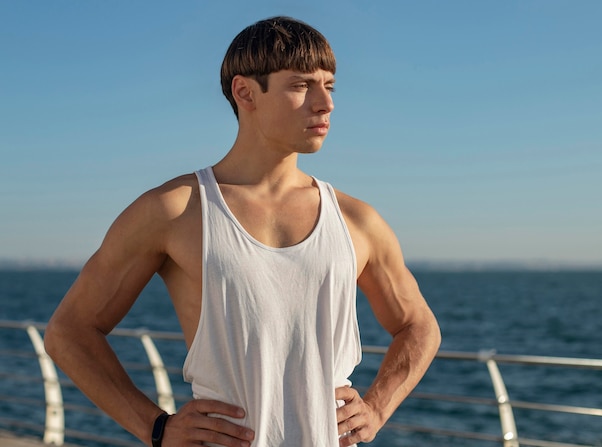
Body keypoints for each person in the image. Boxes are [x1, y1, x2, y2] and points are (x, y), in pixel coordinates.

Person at [44, 16, 441, 447]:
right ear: (245, 92)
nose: (325, 102)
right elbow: (70, 331)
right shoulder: (175, 209)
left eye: (330, 85)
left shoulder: (356, 220)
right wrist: (156, 427)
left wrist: (378, 407)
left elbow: (419, 325)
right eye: (301, 85)